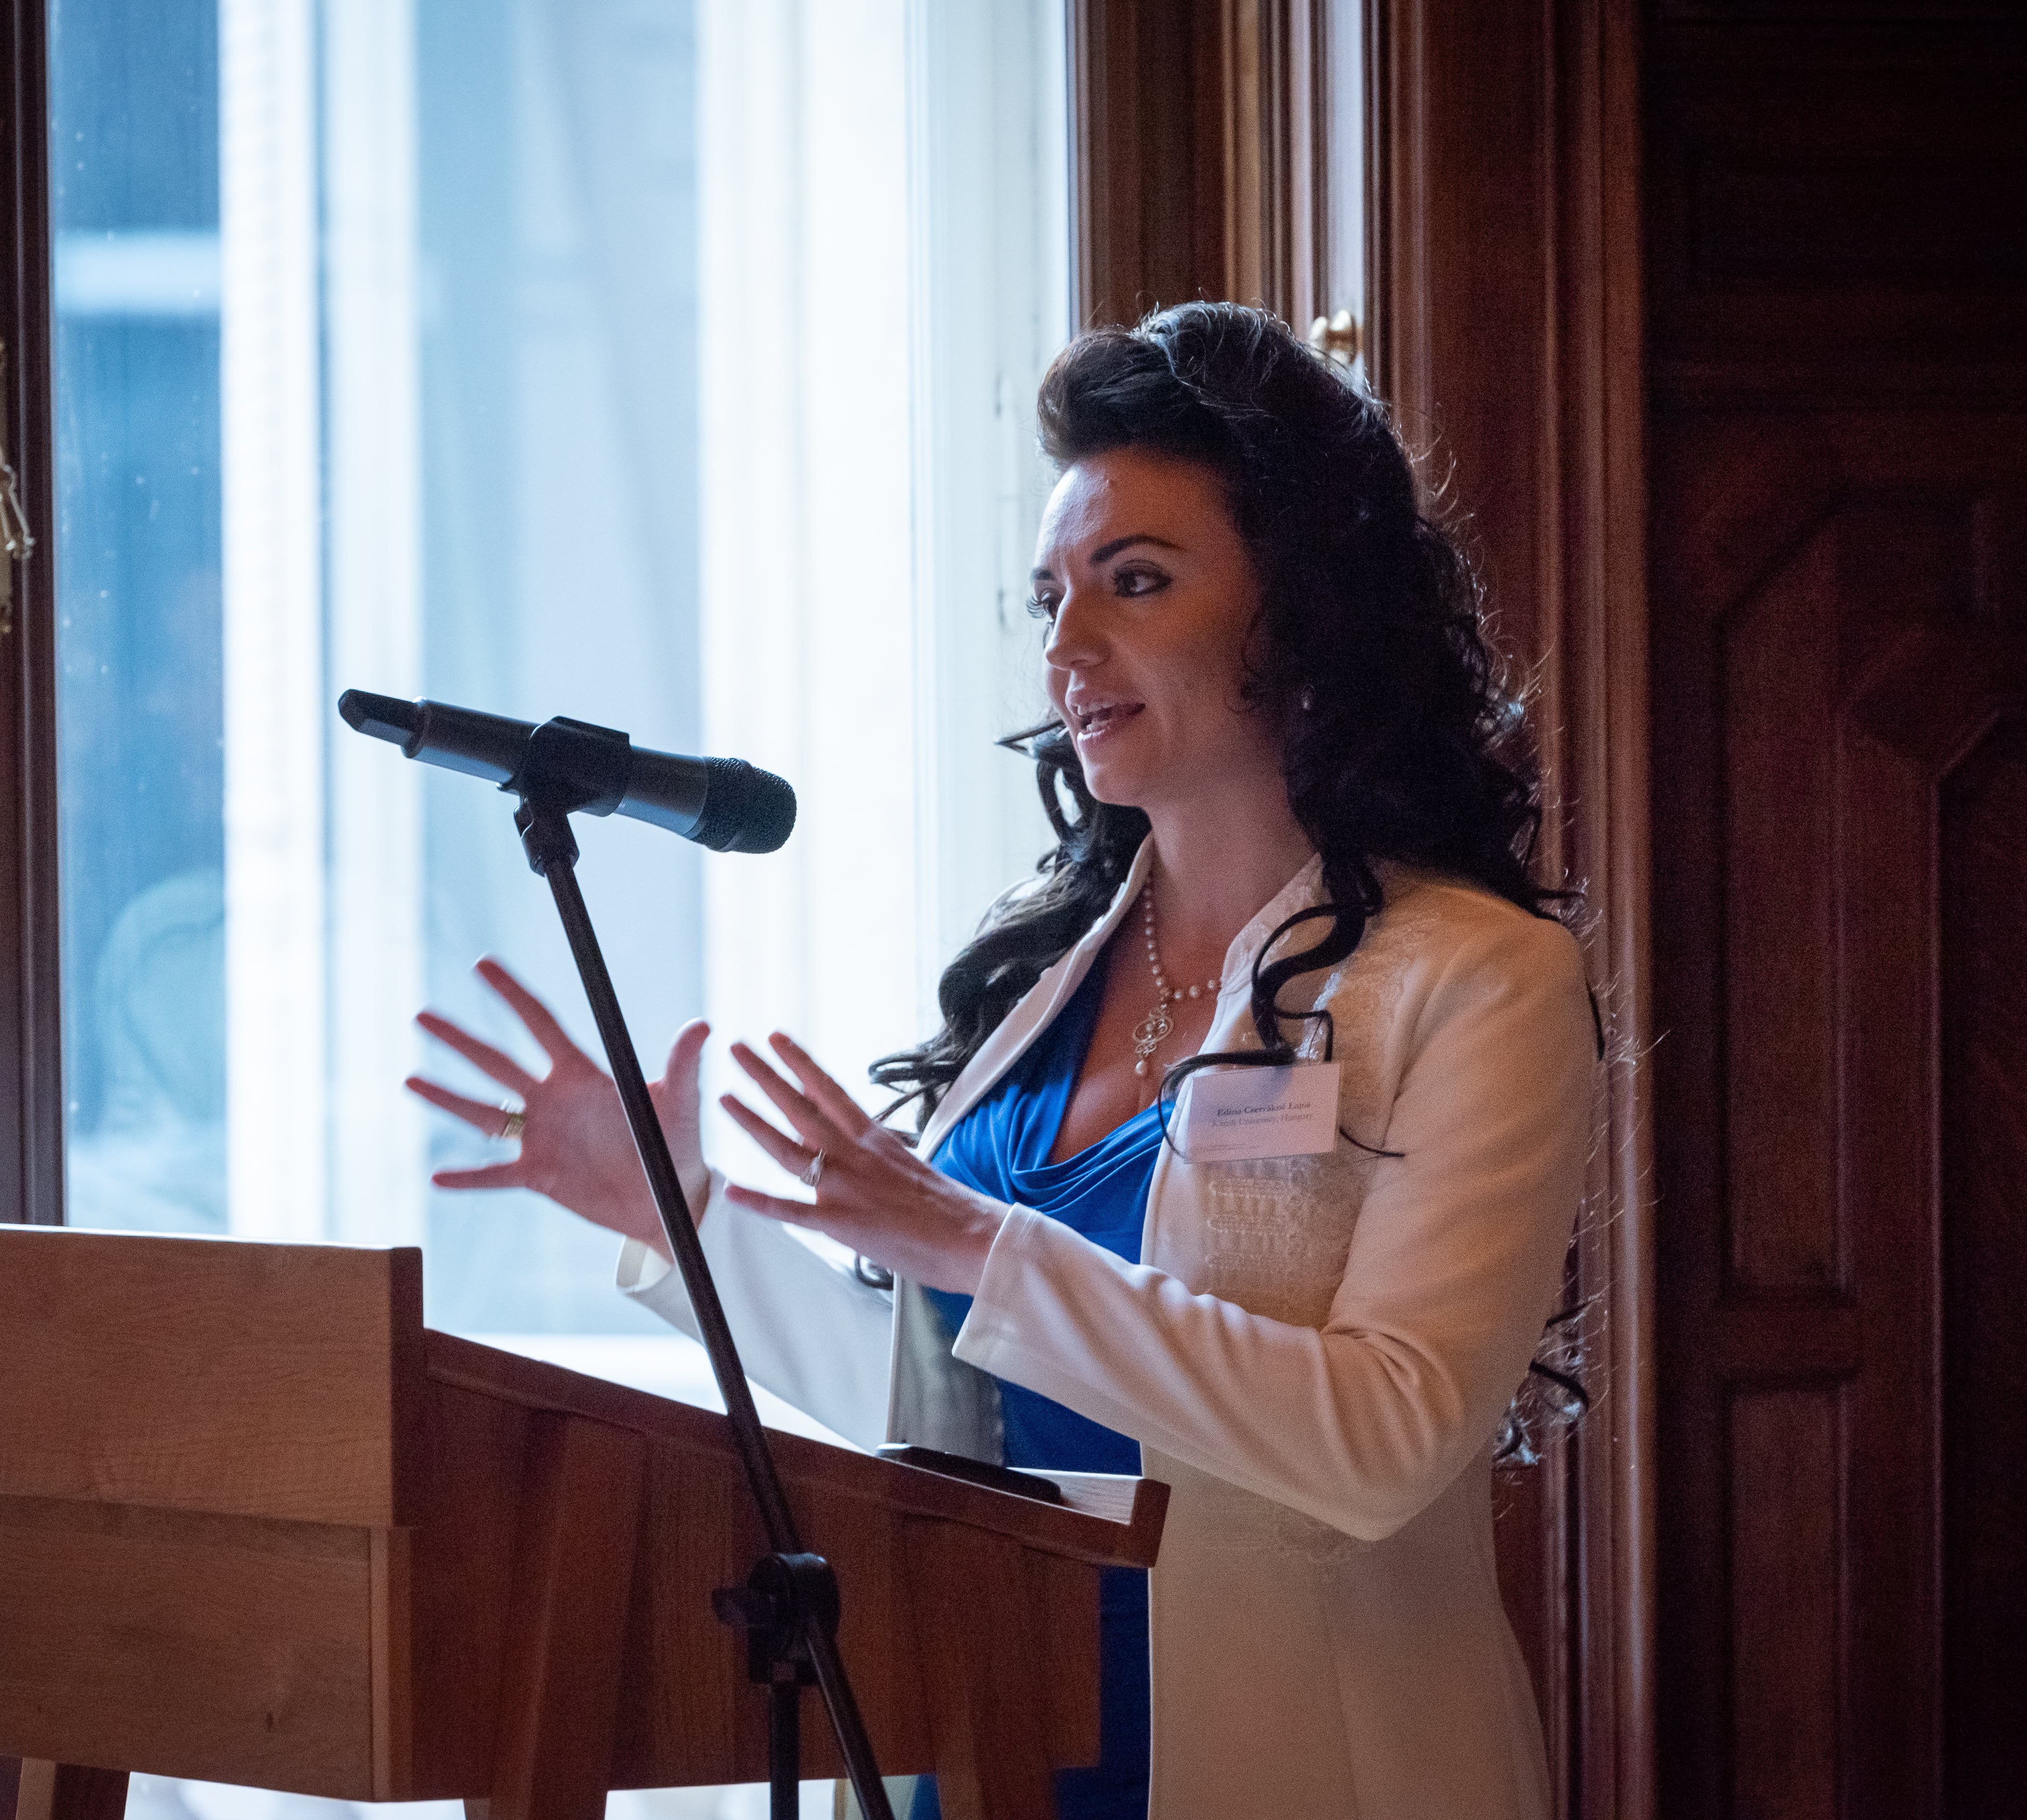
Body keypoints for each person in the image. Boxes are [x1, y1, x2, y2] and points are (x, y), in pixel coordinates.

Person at [406, 302, 1595, 1820]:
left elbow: (1383, 1442)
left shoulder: (1476, 979)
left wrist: (979, 1245)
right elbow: (948, 1423)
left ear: (1303, 610)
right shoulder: (1043, 980)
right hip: (976, 1751)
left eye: (1134, 582)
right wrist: (682, 1223)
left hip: (1296, 1761)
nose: (1065, 647)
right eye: (1046, 597)